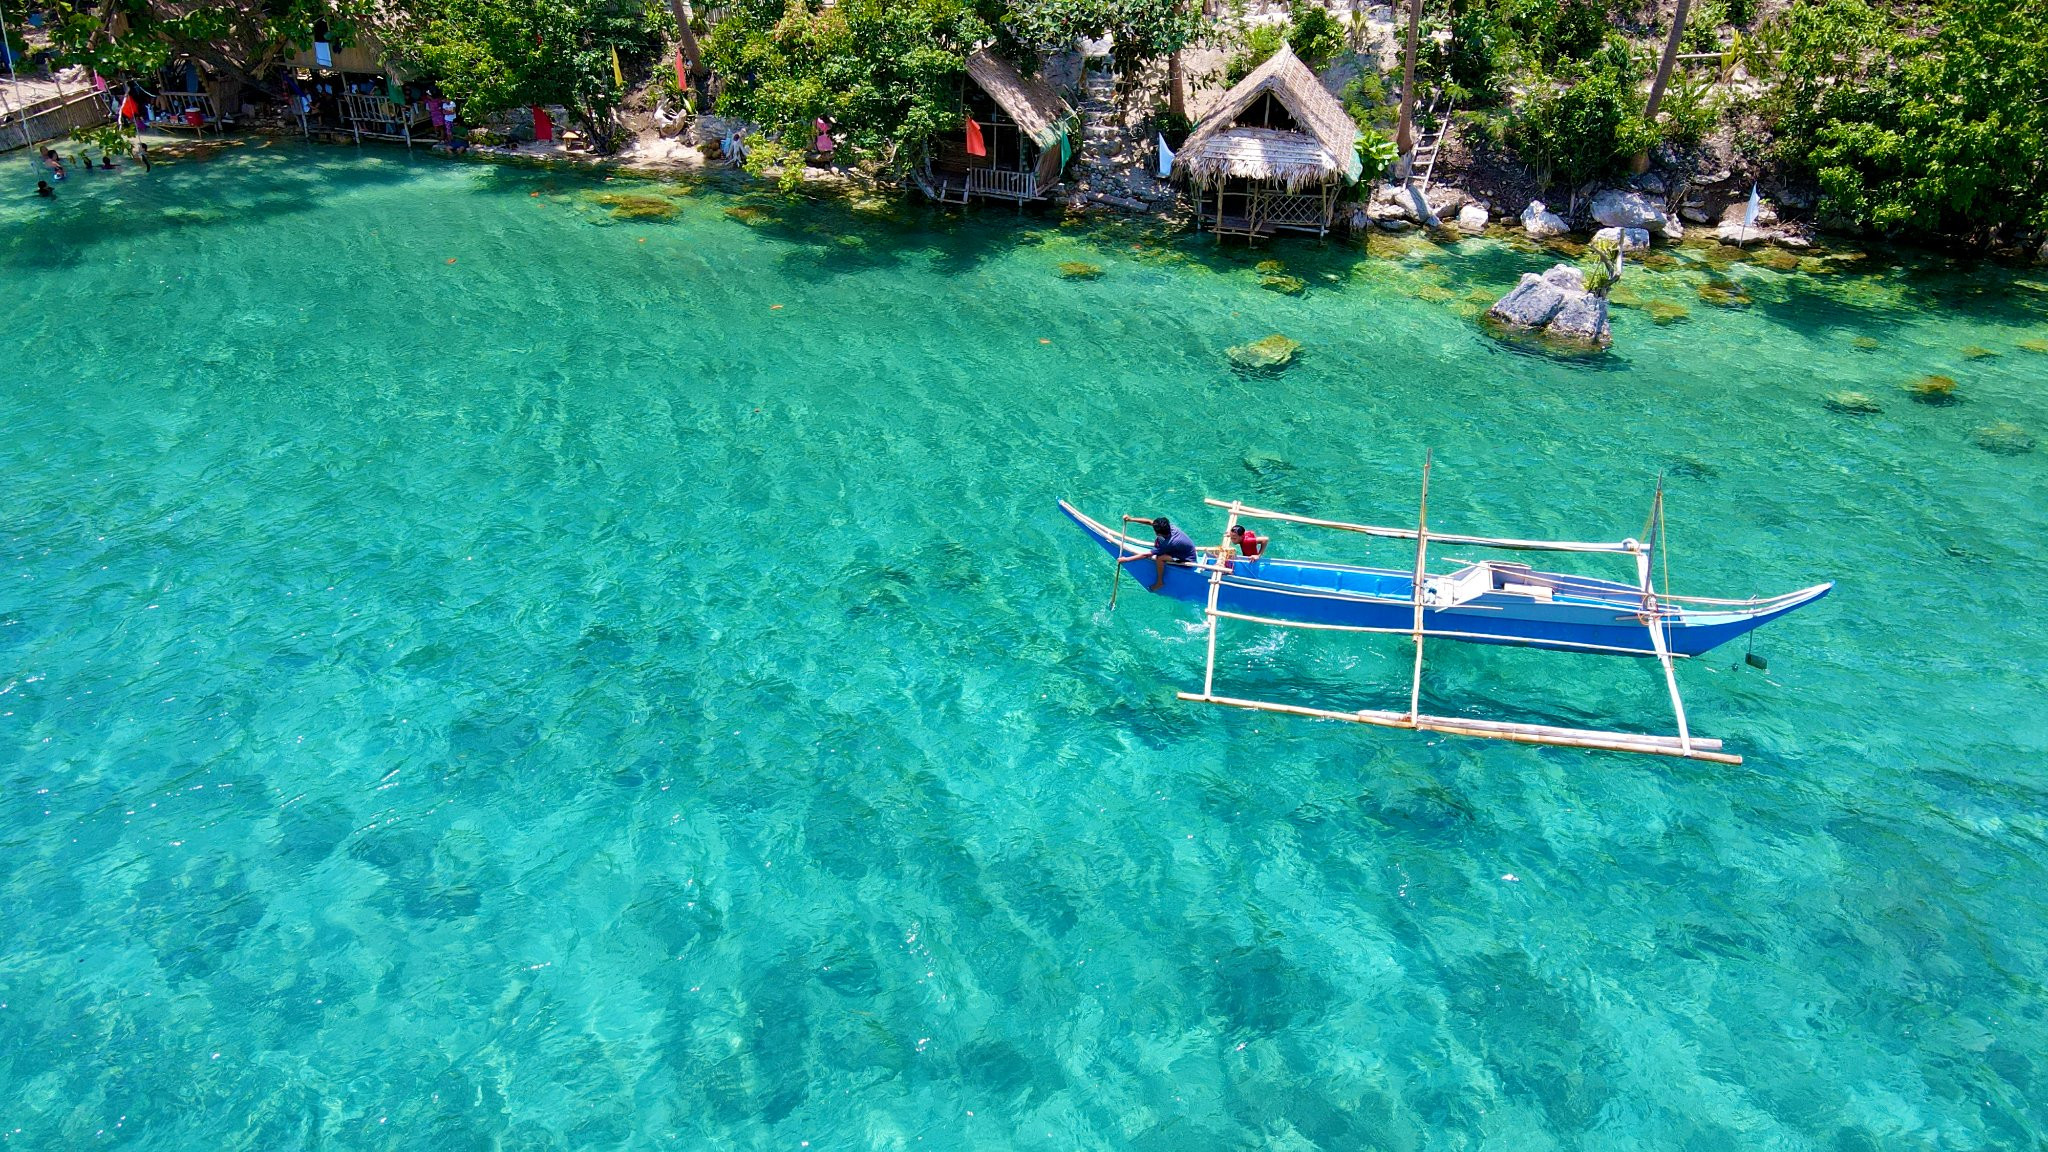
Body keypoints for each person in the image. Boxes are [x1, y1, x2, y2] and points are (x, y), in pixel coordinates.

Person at [1119, 515, 1196, 592]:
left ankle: (1159, 582)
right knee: (1159, 551)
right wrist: (1131, 519)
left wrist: (1126, 559)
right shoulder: (1169, 527)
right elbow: (1149, 522)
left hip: (1187, 558)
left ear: (1158, 534)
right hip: (1184, 549)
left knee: (1159, 558)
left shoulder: (1167, 543)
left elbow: (1146, 555)